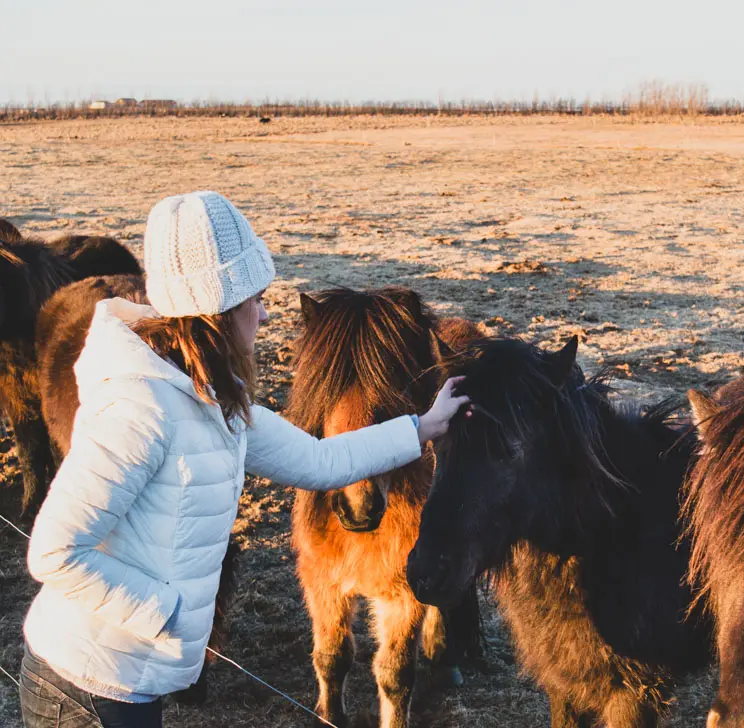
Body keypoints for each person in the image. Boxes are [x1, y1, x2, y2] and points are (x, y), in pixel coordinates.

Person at [18, 191, 469, 728]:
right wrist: (171, 615)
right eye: (254, 298)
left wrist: (422, 427)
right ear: (218, 307)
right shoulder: (140, 407)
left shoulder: (212, 397)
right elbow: (54, 552)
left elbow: (319, 460)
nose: (263, 312)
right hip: (85, 689)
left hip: (131, 679)